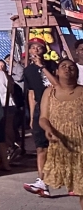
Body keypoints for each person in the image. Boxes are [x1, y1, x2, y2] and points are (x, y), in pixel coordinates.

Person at [38, 59, 83, 208]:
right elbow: (43, 118)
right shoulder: (49, 92)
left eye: (72, 67)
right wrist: (49, 130)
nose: (68, 69)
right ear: (56, 72)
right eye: (63, 66)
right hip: (61, 144)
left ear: (77, 73)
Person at [23, 39, 60, 197]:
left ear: (44, 50)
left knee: (60, 146)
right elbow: (31, 94)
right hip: (40, 109)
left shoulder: (53, 65)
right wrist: (32, 116)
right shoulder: (28, 71)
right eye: (33, 48)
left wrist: (42, 67)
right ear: (30, 51)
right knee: (41, 146)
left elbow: (57, 85)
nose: (36, 50)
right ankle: (42, 182)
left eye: (39, 47)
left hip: (57, 108)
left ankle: (72, 180)